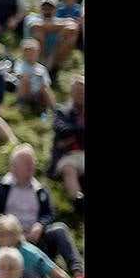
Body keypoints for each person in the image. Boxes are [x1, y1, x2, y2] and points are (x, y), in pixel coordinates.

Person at [49, 77, 85, 210]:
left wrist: (73, 135)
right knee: (69, 168)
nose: (80, 95)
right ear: (71, 93)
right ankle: (78, 200)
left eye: (83, 92)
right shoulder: (61, 111)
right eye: (77, 92)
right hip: (68, 155)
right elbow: (61, 130)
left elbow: (69, 133)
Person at [25, 0, 79, 74]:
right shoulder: (31, 17)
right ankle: (40, 65)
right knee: (39, 33)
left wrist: (60, 34)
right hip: (34, 57)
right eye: (44, 7)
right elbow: (38, 26)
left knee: (71, 33)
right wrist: (59, 28)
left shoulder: (58, 20)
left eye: (50, 8)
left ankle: (53, 69)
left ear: (56, 9)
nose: (47, 10)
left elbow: (73, 27)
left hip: (53, 56)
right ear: (40, 8)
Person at [13, 39, 55, 109]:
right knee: (25, 80)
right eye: (27, 54)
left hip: (37, 93)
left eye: (32, 54)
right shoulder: (19, 64)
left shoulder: (42, 68)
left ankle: (54, 108)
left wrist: (41, 79)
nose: (29, 56)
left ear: (37, 53)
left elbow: (47, 83)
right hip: (24, 92)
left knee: (45, 88)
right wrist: (33, 75)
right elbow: (19, 75)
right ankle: (22, 103)